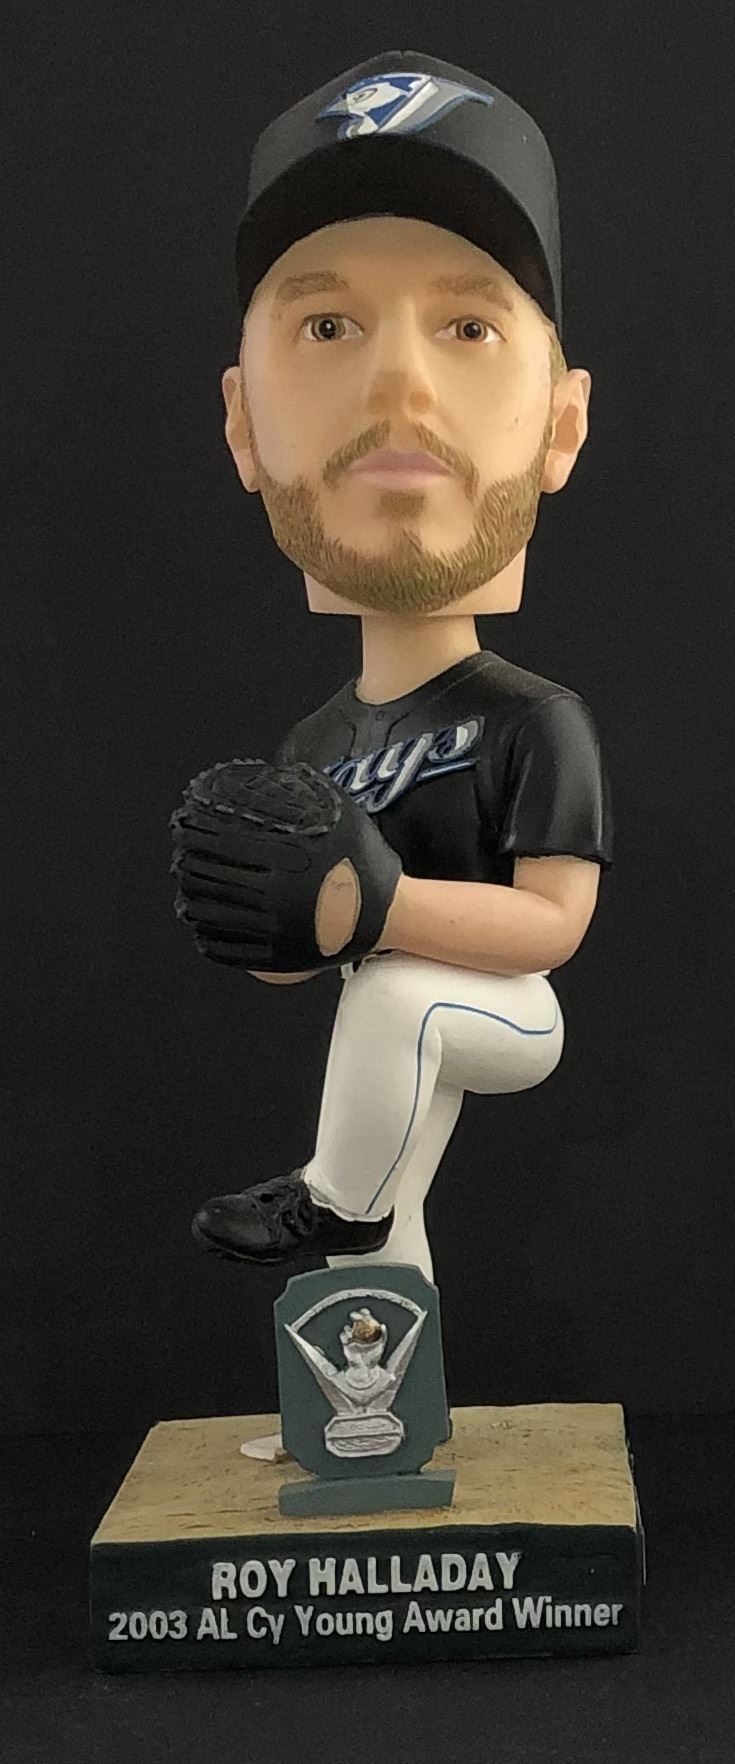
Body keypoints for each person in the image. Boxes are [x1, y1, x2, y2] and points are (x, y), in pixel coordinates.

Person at [176, 51, 613, 1283]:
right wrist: (259, 917)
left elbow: (552, 926)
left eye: (468, 326)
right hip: (390, 1038)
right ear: (242, 425)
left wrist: (381, 908)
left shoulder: (535, 718)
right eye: (329, 326)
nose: (399, 382)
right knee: (386, 1184)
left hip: (503, 1008)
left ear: (562, 426)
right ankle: (369, 1348)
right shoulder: (320, 741)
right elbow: (304, 938)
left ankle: (334, 1206)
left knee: (394, 1004)